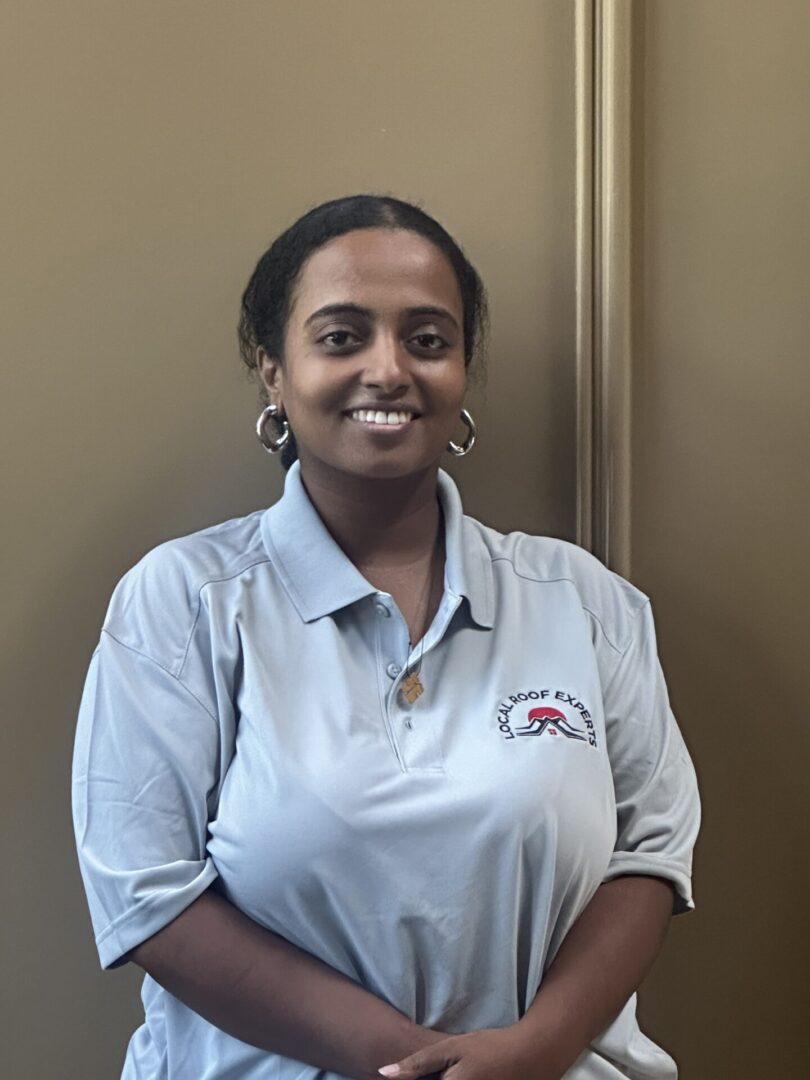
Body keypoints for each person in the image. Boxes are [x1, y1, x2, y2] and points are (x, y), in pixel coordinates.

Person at [72, 193, 701, 1080]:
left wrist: (533, 1052)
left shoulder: (583, 603)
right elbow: (147, 897)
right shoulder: (182, 603)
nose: (389, 369)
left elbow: (649, 855)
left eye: (429, 339)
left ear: (463, 374)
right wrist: (411, 1064)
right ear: (274, 374)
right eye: (340, 337)